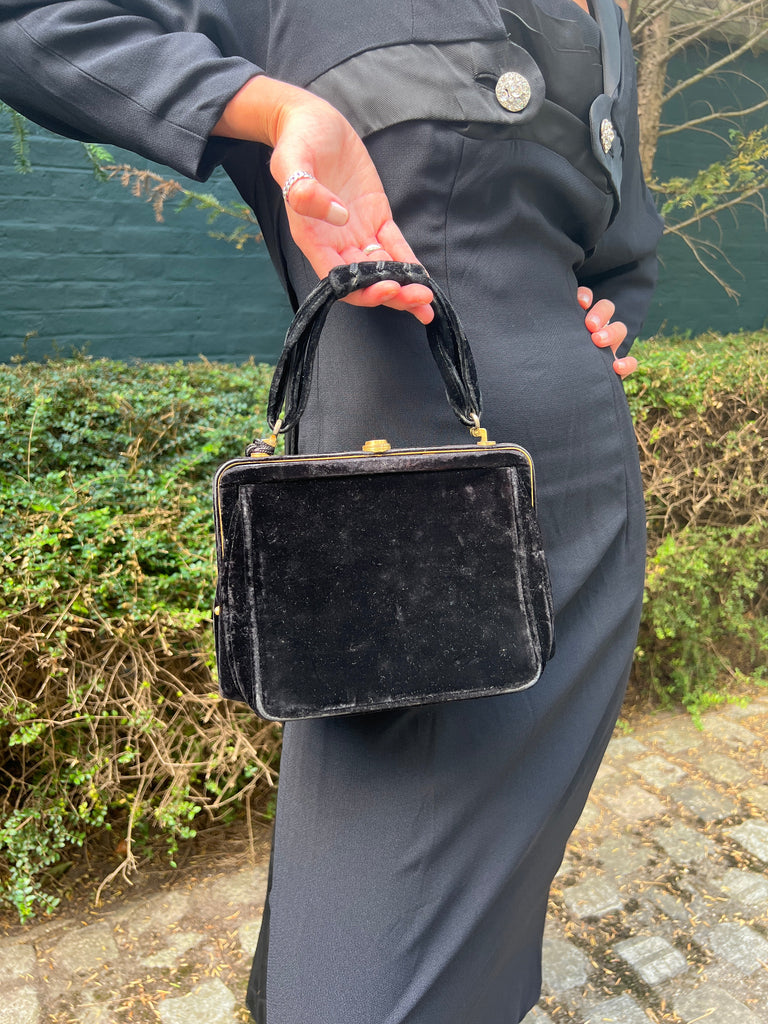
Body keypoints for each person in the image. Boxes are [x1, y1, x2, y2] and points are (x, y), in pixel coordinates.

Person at [0, 1, 663, 1022]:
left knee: (471, 923)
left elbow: (620, 249)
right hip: (387, 549)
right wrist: (273, 110)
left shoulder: (608, 17)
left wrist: (613, 314)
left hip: (582, 517)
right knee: (364, 962)